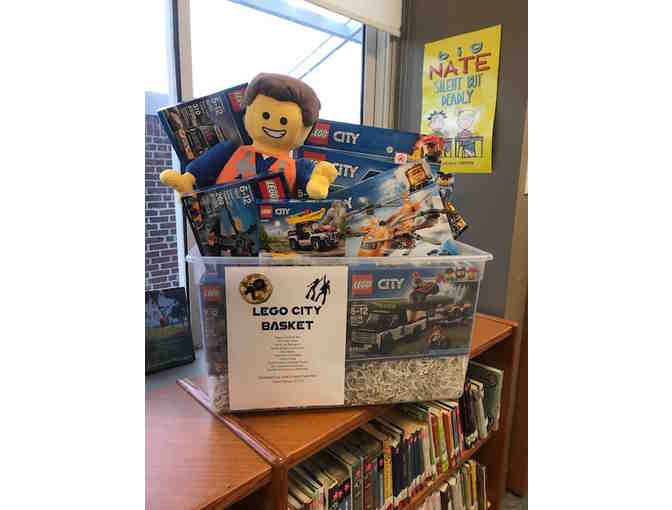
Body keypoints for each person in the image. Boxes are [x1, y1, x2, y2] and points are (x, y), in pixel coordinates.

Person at [160, 73, 337, 199]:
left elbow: (310, 182)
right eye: (265, 115)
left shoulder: (297, 166)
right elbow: (208, 163)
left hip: (273, 227)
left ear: (306, 130)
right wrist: (188, 179)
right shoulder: (233, 149)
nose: (273, 124)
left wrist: (318, 179)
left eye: (284, 121)